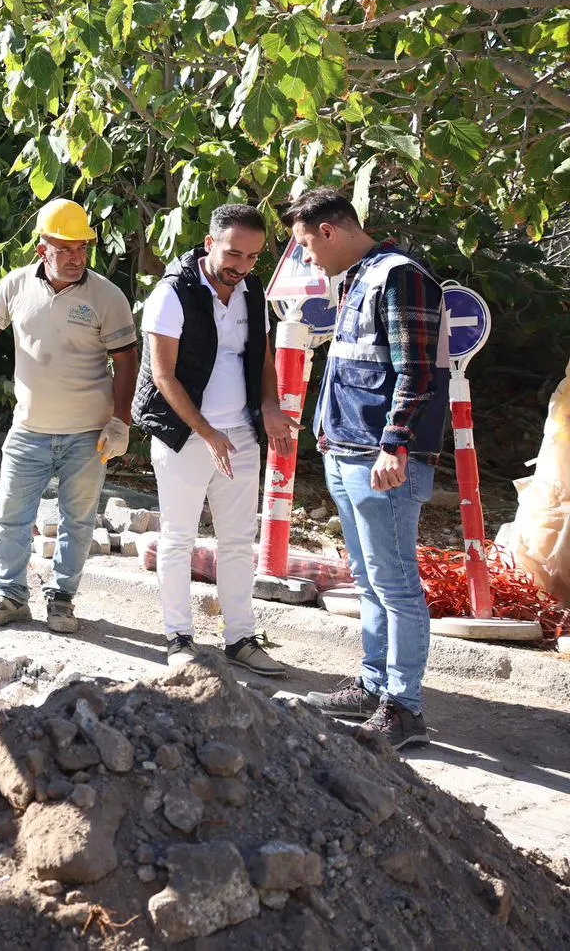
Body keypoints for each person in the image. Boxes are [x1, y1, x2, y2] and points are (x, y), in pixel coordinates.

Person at [284, 187, 447, 749]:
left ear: (330, 231)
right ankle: (375, 685)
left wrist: (394, 445)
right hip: (347, 453)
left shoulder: (399, 276)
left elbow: (417, 371)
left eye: (306, 244)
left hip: (381, 462)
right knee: (371, 582)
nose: (306, 257)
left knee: (396, 584)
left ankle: (404, 709)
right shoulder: (358, 279)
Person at [0, 198, 139, 633]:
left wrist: (120, 420)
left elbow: (127, 360)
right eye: (64, 248)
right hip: (28, 429)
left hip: (88, 435)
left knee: (78, 521)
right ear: (41, 249)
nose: (75, 257)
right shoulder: (16, 285)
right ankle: (11, 598)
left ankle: (62, 600)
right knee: (12, 518)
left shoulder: (107, 296)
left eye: (82, 248)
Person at [133, 204, 293, 674]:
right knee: (178, 538)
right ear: (209, 244)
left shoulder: (253, 292)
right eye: (233, 254)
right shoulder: (172, 293)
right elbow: (163, 375)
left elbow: (262, 359)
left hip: (240, 433)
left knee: (240, 541)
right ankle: (178, 637)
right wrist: (207, 433)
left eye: (252, 258)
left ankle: (241, 637)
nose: (241, 267)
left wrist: (269, 406)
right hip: (185, 434)